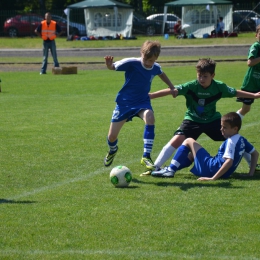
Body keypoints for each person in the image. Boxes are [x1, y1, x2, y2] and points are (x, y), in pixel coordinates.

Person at [146, 58, 260, 175]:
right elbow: (172, 90)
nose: (201, 79)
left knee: (235, 139)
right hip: (192, 120)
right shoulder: (191, 86)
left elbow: (235, 92)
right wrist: (151, 96)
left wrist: (254, 95)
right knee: (177, 140)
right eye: (199, 75)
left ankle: (253, 164)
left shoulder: (219, 87)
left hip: (212, 120)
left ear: (213, 75)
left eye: (205, 76)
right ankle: (155, 167)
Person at [103, 40, 177, 172]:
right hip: (124, 103)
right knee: (112, 137)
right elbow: (114, 66)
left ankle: (146, 156)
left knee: (149, 116)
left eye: (152, 61)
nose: (148, 63)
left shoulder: (155, 67)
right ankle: (113, 150)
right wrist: (109, 65)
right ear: (141, 53)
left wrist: (172, 87)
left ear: (156, 58)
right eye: (146, 60)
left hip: (142, 102)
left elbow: (161, 73)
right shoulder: (132, 63)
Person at [151, 112, 259, 179]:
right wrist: (250, 173)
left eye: (225, 127)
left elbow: (229, 162)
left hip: (212, 169)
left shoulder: (231, 141)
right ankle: (169, 169)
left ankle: (170, 170)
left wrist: (213, 178)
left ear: (235, 129)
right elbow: (255, 154)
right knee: (193, 155)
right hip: (221, 172)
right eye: (221, 126)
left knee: (189, 140)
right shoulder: (242, 140)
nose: (221, 129)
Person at [236, 25, 260, 120]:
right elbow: (250, 63)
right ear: (256, 35)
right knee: (246, 109)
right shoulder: (256, 46)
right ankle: (232, 122)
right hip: (251, 83)